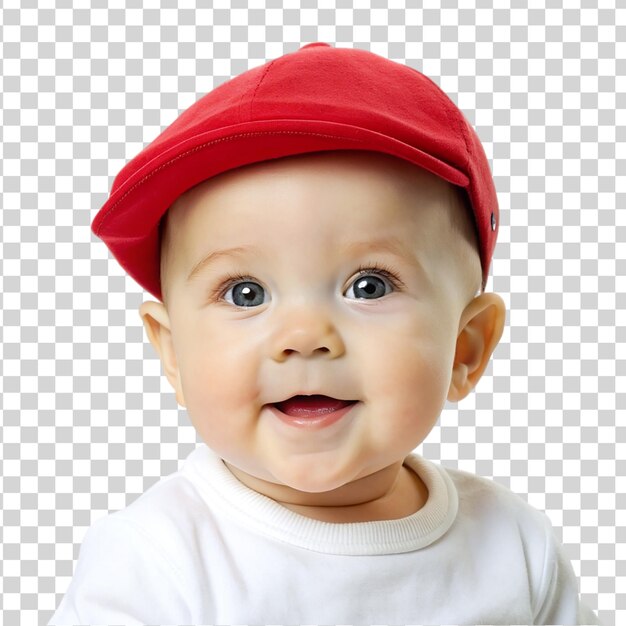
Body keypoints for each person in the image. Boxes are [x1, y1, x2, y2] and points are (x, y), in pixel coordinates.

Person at [49, 43, 600, 625]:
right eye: (245, 293)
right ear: (173, 354)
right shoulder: (156, 563)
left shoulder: (513, 547)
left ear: (466, 348)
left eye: (369, 286)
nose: (305, 336)